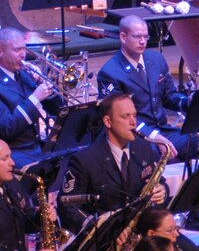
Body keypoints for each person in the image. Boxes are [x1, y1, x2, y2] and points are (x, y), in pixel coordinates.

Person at [59, 93, 169, 236]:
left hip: (141, 233)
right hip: (105, 238)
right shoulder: (84, 160)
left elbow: (160, 182)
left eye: (134, 115)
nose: (133, 122)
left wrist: (163, 191)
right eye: (126, 116)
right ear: (108, 121)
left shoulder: (144, 148)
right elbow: (67, 207)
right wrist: (98, 226)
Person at [96, 15, 187, 159]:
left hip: (163, 130)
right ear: (123, 37)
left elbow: (169, 96)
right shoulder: (110, 73)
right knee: (150, 154)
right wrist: (153, 136)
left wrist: (189, 102)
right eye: (137, 37)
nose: (143, 41)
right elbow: (119, 117)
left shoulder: (157, 60)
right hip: (136, 137)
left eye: (146, 36)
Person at [0, 28, 62, 169]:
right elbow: (5, 129)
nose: (23, 55)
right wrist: (34, 99)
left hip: (38, 144)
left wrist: (44, 83)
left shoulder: (24, 74)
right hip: (15, 151)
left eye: (24, 49)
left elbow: (59, 110)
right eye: (17, 50)